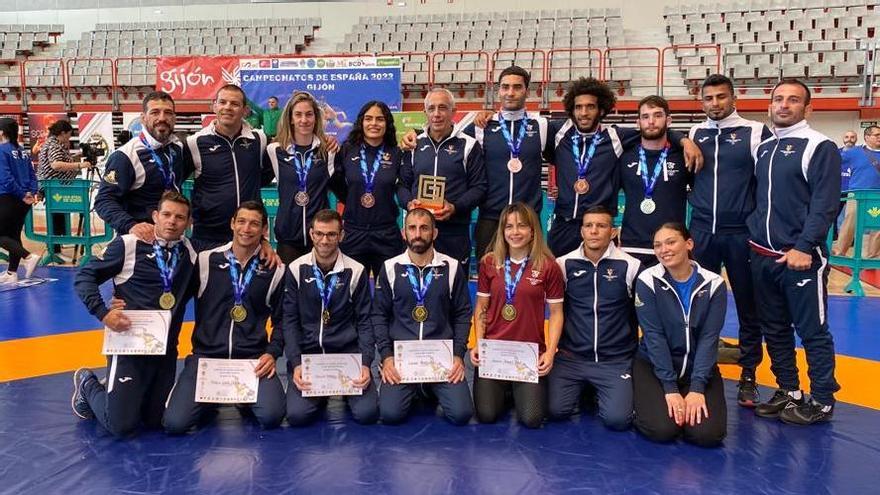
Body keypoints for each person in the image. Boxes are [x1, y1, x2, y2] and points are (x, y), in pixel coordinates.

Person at [748, 79, 841, 425]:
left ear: (808, 108)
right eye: (778, 99)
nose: (783, 105)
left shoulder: (820, 146)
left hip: (800, 258)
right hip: (762, 255)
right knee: (774, 328)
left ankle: (822, 398)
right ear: (769, 105)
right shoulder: (765, 147)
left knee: (812, 330)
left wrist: (804, 246)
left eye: (793, 100)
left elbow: (825, 203)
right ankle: (789, 388)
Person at [71, 191, 197, 436]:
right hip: (129, 347)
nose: (172, 221)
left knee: (154, 420)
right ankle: (87, 384)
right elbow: (85, 276)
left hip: (165, 351)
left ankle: (118, 390)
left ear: (189, 223)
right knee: (121, 426)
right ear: (154, 216)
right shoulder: (128, 244)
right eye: (167, 214)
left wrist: (265, 244)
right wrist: (104, 313)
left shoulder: (190, 252)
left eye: (180, 217)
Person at [163, 201, 286, 434]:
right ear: (232, 224)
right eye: (241, 221)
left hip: (251, 361)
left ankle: (240, 398)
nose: (246, 229)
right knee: (175, 423)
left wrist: (272, 353)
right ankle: (208, 401)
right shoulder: (205, 260)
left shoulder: (275, 270)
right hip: (207, 358)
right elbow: (171, 295)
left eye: (254, 224)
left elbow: (283, 321)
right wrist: (124, 302)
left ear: (264, 230)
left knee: (272, 416)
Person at [543, 78, 702, 257]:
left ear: (601, 109)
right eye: (578, 107)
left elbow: (653, 131)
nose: (584, 113)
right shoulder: (557, 132)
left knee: (604, 282)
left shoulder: (616, 137)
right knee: (557, 280)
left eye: (590, 107)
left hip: (600, 228)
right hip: (563, 226)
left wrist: (684, 140)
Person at [688, 74, 773, 407]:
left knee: (749, 305)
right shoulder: (696, 132)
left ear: (733, 98)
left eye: (721, 97)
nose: (715, 103)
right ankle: (699, 368)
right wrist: (684, 139)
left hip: (741, 233)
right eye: (708, 98)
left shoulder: (754, 131)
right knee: (698, 302)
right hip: (702, 232)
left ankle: (749, 372)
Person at [373, 208, 474, 425]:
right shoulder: (390, 268)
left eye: (424, 228)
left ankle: (428, 389)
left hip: (442, 359)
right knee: (390, 415)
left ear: (434, 233)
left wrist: (457, 355)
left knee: (461, 414)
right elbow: (379, 315)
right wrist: (386, 357)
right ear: (404, 233)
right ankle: (419, 390)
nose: (418, 233)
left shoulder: (452, 267)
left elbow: (463, 313)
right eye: (412, 228)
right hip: (402, 361)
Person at [633, 223, 727, 447]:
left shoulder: (714, 284)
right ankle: (641, 405)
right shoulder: (647, 281)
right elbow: (654, 337)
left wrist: (696, 389)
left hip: (697, 367)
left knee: (707, 435)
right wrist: (670, 389)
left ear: (689, 244)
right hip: (654, 366)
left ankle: (687, 397)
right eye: (657, 245)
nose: (664, 249)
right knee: (662, 430)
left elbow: (709, 339)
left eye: (671, 242)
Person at [548, 206, 641, 430]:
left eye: (601, 226)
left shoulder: (631, 265)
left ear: (613, 231)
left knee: (617, 420)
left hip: (614, 360)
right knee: (554, 411)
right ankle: (585, 388)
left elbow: (641, 317)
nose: (594, 231)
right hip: (572, 358)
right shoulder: (563, 264)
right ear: (581, 231)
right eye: (589, 226)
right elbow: (556, 312)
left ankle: (599, 390)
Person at [471, 202, 563, 428]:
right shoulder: (489, 262)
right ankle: (507, 389)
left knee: (531, 419)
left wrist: (550, 353)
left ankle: (515, 389)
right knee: (486, 414)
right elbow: (481, 307)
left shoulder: (548, 266)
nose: (515, 232)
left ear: (533, 230)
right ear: (502, 231)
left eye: (522, 226)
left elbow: (556, 313)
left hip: (529, 354)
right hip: (494, 351)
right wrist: (479, 344)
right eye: (509, 226)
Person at [283, 209, 377, 425]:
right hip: (310, 359)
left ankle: (338, 391)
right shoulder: (296, 269)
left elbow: (365, 321)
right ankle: (321, 394)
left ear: (341, 236)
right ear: (311, 234)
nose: (324, 240)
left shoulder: (356, 270)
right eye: (319, 234)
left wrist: (365, 363)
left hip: (347, 359)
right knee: (297, 416)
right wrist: (296, 362)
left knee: (367, 414)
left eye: (331, 234)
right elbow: (289, 321)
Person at [464, 66, 548, 260]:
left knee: (530, 279)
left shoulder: (541, 125)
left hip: (528, 220)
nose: (510, 93)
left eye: (517, 87)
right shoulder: (482, 126)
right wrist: (415, 134)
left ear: (527, 91)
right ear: (498, 91)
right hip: (490, 219)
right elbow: (445, 136)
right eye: (505, 87)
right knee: (490, 279)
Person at [398, 88, 487, 271]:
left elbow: (479, 187)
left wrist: (455, 207)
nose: (437, 114)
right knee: (418, 286)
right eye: (431, 109)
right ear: (425, 113)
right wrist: (408, 204)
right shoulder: (414, 144)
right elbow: (402, 185)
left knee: (454, 288)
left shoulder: (469, 145)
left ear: (453, 112)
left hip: (454, 230)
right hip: (419, 231)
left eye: (443, 108)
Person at [184, 84, 273, 251]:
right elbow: (173, 184)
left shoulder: (259, 140)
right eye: (222, 102)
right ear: (214, 105)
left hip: (248, 234)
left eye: (234, 104)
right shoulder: (195, 143)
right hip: (208, 237)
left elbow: (263, 178)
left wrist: (263, 238)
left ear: (245, 110)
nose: (227, 108)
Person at [95, 91, 185, 242]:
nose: (162, 118)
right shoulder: (125, 156)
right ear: (143, 118)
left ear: (174, 118)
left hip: (173, 239)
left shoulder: (177, 148)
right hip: (140, 242)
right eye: (155, 112)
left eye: (168, 113)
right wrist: (131, 225)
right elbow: (103, 200)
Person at [331, 100, 406, 277]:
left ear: (387, 123)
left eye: (380, 119)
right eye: (368, 119)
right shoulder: (347, 150)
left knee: (389, 290)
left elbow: (403, 185)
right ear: (361, 122)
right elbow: (336, 181)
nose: (374, 123)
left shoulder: (396, 153)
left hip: (386, 233)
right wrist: (350, 200)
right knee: (352, 290)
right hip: (354, 232)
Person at [617, 95, 691, 267]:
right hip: (632, 246)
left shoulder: (683, 156)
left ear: (669, 120)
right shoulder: (624, 156)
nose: (651, 121)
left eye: (657, 115)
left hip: (671, 246)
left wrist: (685, 141)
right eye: (645, 117)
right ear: (638, 123)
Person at [266, 91, 336, 264]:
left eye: (309, 114)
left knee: (319, 288)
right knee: (290, 289)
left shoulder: (328, 151)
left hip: (321, 238)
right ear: (290, 118)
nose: (304, 120)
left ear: (316, 118)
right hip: (288, 238)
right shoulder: (275, 151)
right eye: (298, 114)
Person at [38, 119, 91, 256]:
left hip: (56, 186)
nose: (69, 137)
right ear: (62, 133)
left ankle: (56, 248)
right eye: (68, 134)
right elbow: (56, 164)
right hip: (53, 186)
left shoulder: (54, 143)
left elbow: (61, 160)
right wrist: (79, 165)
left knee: (58, 215)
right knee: (56, 215)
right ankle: (54, 249)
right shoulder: (54, 144)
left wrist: (75, 157)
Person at [0, 117, 40, 284]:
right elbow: (32, 175)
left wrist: (22, 194)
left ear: (2, 132)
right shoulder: (23, 151)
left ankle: (28, 256)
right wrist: (31, 193)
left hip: (8, 197)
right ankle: (11, 273)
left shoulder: (2, 150)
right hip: (23, 200)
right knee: (14, 235)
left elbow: (6, 179)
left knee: (2, 235)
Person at [835, 125, 880, 257]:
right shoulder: (854, 152)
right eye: (876, 135)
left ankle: (872, 255)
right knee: (850, 221)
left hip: (877, 195)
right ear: (867, 137)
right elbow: (833, 162)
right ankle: (840, 251)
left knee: (877, 226)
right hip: (857, 193)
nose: (879, 137)